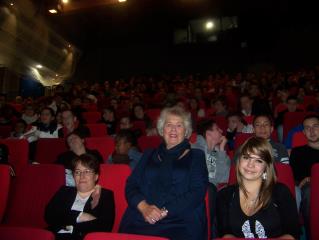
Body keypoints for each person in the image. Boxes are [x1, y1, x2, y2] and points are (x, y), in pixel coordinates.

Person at [119, 106, 208, 240]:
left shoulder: (196, 156)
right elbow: (131, 184)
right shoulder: (149, 154)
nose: (173, 129)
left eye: (179, 125)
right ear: (162, 129)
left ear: (186, 131)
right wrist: (144, 207)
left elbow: (197, 191)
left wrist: (164, 212)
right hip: (143, 216)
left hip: (180, 220)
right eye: (169, 125)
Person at [216, 137, 300, 239]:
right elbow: (225, 234)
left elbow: (291, 235)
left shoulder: (280, 192)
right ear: (238, 161)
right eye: (246, 157)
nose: (250, 165)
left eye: (259, 160)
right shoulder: (225, 195)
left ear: (266, 167)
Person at [45, 154, 115, 240]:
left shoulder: (105, 195)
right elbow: (49, 215)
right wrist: (80, 216)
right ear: (73, 176)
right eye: (77, 172)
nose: (82, 176)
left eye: (87, 172)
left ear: (96, 176)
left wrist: (67, 222)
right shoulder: (64, 191)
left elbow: (104, 226)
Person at [289, 114, 319, 240]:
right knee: (308, 190)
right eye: (307, 128)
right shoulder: (297, 152)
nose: (311, 131)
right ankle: (312, 234)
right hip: (308, 188)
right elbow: (294, 178)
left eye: (315, 126)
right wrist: (307, 180)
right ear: (304, 133)